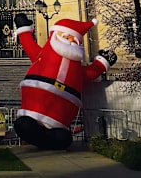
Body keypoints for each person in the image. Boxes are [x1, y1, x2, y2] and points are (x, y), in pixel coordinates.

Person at [13, 15, 117, 150]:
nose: (70, 41)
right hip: (36, 108)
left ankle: (47, 136)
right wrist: (23, 28)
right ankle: (41, 134)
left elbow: (89, 73)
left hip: (58, 117)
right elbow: (29, 45)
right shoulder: (43, 56)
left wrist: (103, 62)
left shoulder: (73, 68)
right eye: (67, 37)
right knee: (26, 125)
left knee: (44, 132)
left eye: (74, 40)